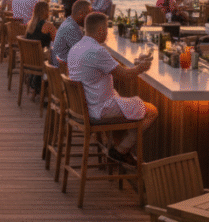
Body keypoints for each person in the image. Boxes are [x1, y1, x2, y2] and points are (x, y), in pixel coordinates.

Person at [67, 12, 157, 165]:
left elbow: (110, 70)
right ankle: (120, 150)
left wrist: (135, 65)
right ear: (101, 30)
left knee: (124, 103)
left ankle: (117, 147)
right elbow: (125, 75)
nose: (108, 33)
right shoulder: (98, 51)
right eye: (107, 30)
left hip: (82, 109)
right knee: (151, 111)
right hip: (99, 110)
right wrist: (141, 67)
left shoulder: (76, 48)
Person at [24, 1, 57, 97]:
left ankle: (38, 86)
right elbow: (57, 42)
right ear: (46, 12)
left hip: (29, 60)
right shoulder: (49, 26)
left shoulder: (30, 25)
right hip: (41, 60)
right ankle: (52, 90)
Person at [51, 0, 91, 66]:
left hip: (62, 67)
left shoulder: (69, 22)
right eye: (88, 14)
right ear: (80, 13)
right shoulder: (71, 29)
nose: (89, 18)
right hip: (63, 71)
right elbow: (83, 54)